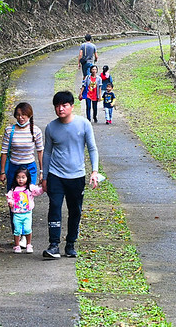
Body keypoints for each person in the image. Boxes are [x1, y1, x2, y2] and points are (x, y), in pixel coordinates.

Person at [41, 91, 100, 259]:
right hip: (55, 175)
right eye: (57, 106)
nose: (60, 109)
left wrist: (94, 171)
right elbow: (47, 153)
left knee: (75, 210)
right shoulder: (51, 127)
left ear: (72, 106)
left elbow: (92, 148)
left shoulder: (84, 124)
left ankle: (70, 244)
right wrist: (44, 177)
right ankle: (53, 245)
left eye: (64, 105)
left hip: (76, 176)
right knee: (54, 207)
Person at [0, 102, 44, 214]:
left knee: (28, 196)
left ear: (29, 115)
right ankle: (16, 229)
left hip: (29, 168)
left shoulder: (36, 131)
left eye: (23, 114)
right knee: (13, 198)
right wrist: (2, 172)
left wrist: (42, 171)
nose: (21, 118)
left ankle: (27, 228)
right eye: (18, 115)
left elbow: (40, 151)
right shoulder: (10, 131)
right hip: (14, 168)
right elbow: (4, 152)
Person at [6, 167, 44, 253]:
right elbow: (9, 197)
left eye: (23, 177)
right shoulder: (14, 189)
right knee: (17, 230)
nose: (21, 180)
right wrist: (10, 202)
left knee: (27, 229)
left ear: (27, 178)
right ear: (15, 178)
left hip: (27, 213)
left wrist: (43, 187)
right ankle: (17, 245)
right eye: (18, 177)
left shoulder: (30, 188)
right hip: (17, 213)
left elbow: (38, 192)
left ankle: (29, 244)